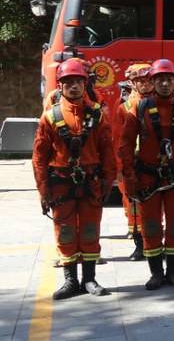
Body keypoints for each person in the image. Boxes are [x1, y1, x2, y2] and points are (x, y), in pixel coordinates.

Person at [33, 60, 116, 299]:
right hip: (61, 183)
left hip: (91, 182)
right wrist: (44, 192)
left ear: (84, 83)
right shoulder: (50, 117)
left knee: (90, 230)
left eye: (78, 82)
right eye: (68, 82)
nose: (74, 86)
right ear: (60, 86)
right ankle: (71, 281)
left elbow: (108, 153)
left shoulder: (98, 115)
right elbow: (39, 157)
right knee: (65, 231)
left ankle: (89, 279)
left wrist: (107, 183)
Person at [121, 59, 174, 290]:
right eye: (160, 80)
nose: (165, 84)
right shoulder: (139, 108)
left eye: (169, 79)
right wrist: (129, 177)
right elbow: (125, 144)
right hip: (147, 177)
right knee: (151, 226)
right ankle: (156, 273)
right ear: (152, 82)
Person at [118, 63, 153, 261]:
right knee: (135, 207)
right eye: (141, 81)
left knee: (157, 208)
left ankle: (155, 245)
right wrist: (121, 168)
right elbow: (118, 139)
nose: (146, 85)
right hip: (134, 165)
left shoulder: (166, 105)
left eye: (149, 81)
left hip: (156, 166)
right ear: (133, 83)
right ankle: (139, 245)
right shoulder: (124, 108)